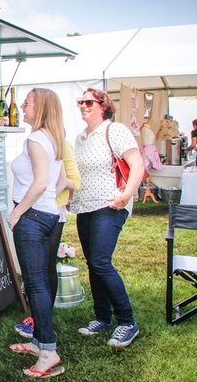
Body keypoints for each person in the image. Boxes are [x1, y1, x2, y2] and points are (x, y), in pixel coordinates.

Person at [69, 88, 143, 348]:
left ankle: (127, 321)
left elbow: (138, 165)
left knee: (101, 262)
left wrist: (125, 197)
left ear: (103, 105)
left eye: (88, 102)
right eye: (80, 102)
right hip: (84, 206)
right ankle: (103, 318)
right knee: (93, 264)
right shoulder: (80, 139)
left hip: (110, 204)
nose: (83, 106)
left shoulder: (116, 130)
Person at [6, 88, 68, 378]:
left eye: (27, 103)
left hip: (31, 217)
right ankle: (38, 342)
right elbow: (62, 179)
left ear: (40, 107)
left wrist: (18, 212)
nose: (22, 106)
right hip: (47, 216)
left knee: (36, 285)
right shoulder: (53, 137)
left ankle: (48, 351)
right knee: (41, 281)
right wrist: (45, 208)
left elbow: (42, 182)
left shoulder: (35, 139)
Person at [14, 137, 80, 341]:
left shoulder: (60, 143)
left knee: (46, 267)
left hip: (47, 211)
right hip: (42, 210)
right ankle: (41, 321)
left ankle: (42, 321)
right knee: (41, 270)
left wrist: (48, 195)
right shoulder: (42, 141)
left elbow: (74, 181)